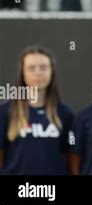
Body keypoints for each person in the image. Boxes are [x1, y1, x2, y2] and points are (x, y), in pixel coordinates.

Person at [0, 47, 74, 175]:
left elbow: (70, 157)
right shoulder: (5, 112)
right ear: (22, 72)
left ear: (52, 72)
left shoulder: (65, 114)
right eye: (31, 68)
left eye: (44, 67)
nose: (38, 73)